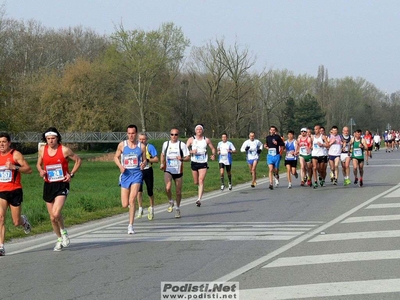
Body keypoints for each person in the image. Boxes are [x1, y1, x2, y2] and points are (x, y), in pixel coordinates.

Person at [37, 127, 81, 251]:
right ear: (45, 139)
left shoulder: (64, 150)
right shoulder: (42, 150)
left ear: (57, 138)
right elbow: (38, 164)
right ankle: (59, 239)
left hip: (62, 184)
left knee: (56, 213)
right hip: (48, 185)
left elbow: (78, 160)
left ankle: (64, 232)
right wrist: (41, 171)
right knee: (52, 217)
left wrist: (71, 174)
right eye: (48, 139)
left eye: (53, 138)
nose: (50, 141)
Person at [0, 132, 32, 256]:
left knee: (16, 221)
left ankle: (23, 221)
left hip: (15, 191)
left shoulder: (15, 154)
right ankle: (1, 246)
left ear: (9, 143)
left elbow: (28, 170)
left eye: (3, 142)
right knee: (1, 217)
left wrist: (14, 167)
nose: (1, 144)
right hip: (1, 191)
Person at [114, 125, 146, 235]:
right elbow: (115, 157)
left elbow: (145, 160)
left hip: (137, 174)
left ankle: (130, 225)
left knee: (132, 200)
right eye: (129, 133)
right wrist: (120, 166)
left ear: (136, 133)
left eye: (133, 133)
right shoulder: (122, 145)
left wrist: (143, 164)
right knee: (124, 204)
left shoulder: (141, 146)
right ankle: (131, 207)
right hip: (126, 175)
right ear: (127, 134)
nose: (131, 135)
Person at [160, 128, 190, 218]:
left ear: (178, 135)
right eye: (172, 134)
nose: (174, 136)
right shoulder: (166, 144)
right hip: (168, 169)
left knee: (178, 192)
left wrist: (182, 159)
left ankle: (177, 208)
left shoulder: (182, 145)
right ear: (170, 135)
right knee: (168, 188)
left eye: (176, 134)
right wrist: (162, 163)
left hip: (178, 170)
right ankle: (170, 201)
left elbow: (188, 157)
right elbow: (162, 154)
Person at [186, 124, 216, 207]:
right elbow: (184, 150)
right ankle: (200, 189)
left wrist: (213, 155)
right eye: (197, 129)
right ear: (195, 131)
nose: (199, 130)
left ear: (202, 131)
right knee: (196, 182)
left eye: (200, 129)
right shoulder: (191, 139)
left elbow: (213, 148)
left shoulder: (206, 140)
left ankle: (199, 199)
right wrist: (191, 152)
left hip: (203, 162)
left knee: (201, 180)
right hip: (194, 162)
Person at [136, 133, 159, 221]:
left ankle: (151, 208)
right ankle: (140, 208)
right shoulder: (136, 147)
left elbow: (156, 159)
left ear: (146, 140)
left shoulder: (150, 147)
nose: (142, 141)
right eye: (140, 139)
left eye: (144, 139)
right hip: (138, 171)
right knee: (139, 190)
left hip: (148, 170)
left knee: (150, 190)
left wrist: (147, 160)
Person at [265, 126, 285, 190]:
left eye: (274, 130)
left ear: (275, 131)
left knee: (276, 169)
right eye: (271, 130)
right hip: (270, 155)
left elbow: (283, 144)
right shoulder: (267, 137)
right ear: (269, 131)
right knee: (270, 169)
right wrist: (266, 146)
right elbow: (267, 145)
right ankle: (271, 183)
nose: (272, 131)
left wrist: (277, 143)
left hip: (276, 155)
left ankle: (276, 174)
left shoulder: (277, 137)